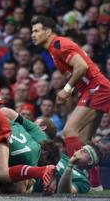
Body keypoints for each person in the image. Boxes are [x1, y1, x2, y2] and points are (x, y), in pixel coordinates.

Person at [31, 15, 110, 189]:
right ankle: (96, 186)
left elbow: (82, 67)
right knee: (84, 139)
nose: (33, 34)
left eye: (36, 30)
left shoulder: (58, 45)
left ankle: (77, 175)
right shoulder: (54, 48)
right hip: (95, 88)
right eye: (32, 31)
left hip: (96, 88)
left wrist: (67, 90)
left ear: (48, 31)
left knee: (69, 131)